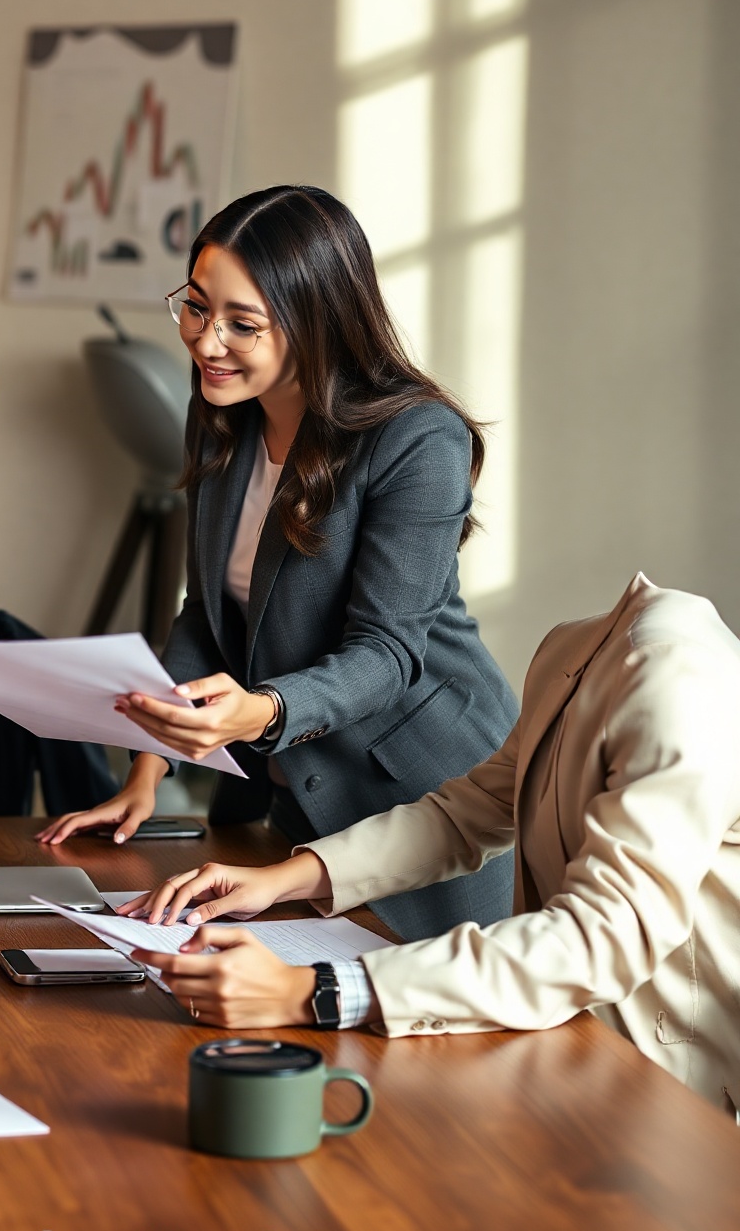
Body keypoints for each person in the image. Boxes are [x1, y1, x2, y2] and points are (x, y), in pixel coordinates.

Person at [40, 185, 518, 939]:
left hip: (421, 794)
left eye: (241, 324)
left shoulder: (419, 440)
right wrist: (148, 769)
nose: (204, 342)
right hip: (288, 796)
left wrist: (259, 713)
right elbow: (209, 611)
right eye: (195, 307)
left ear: (317, 326)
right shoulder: (221, 413)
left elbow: (388, 653)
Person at [123, 576, 740, 1115]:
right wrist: (283, 878)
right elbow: (471, 811)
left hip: (667, 1081)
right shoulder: (578, 646)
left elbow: (596, 939)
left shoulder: (679, 689)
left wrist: (313, 991)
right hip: (568, 1039)